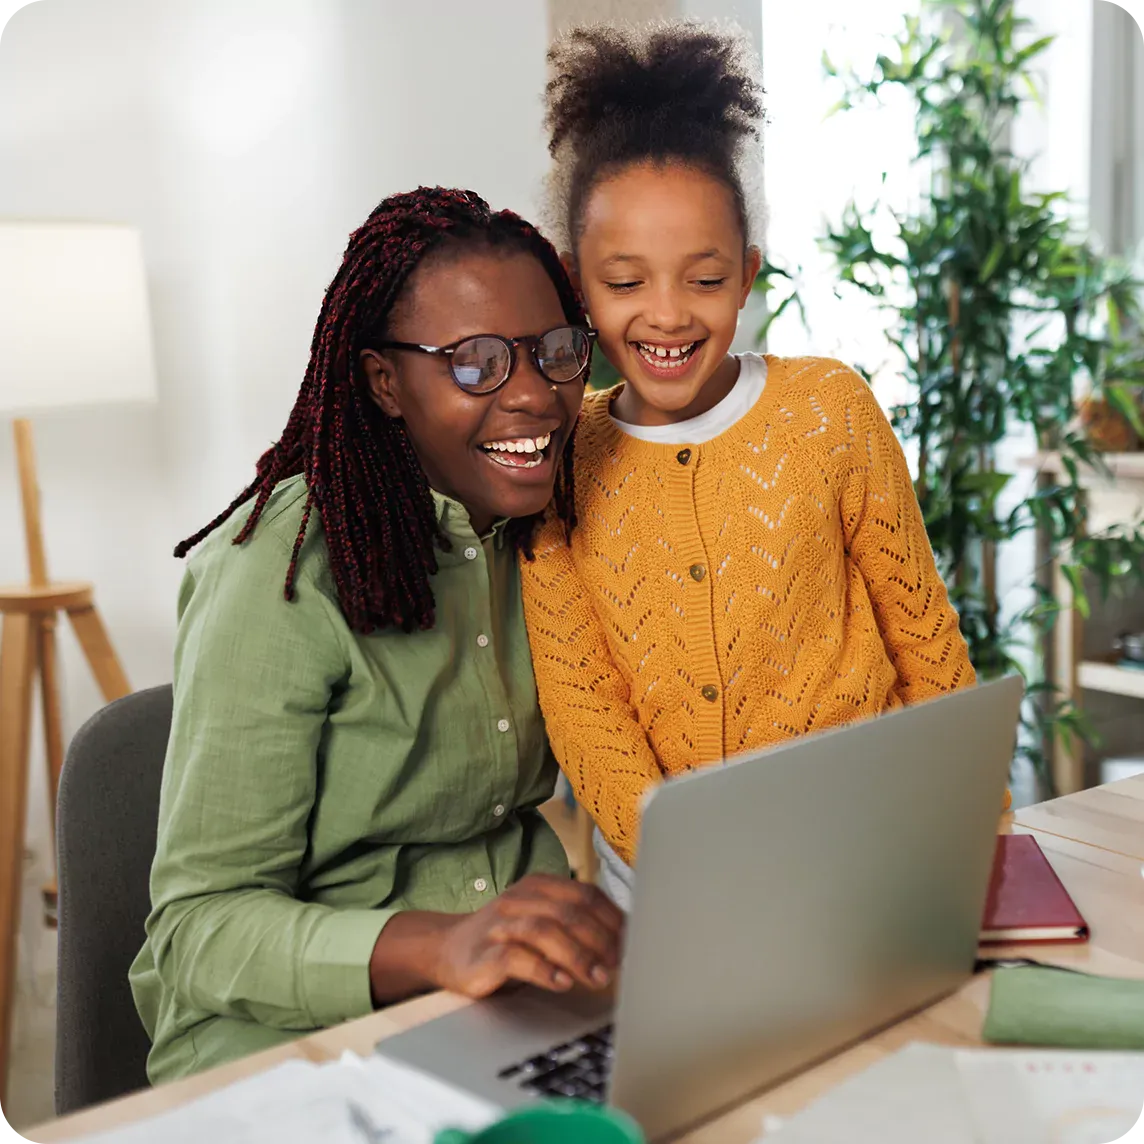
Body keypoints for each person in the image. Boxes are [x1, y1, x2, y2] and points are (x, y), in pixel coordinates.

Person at [129, 187, 623, 1084]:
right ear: (384, 383)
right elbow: (198, 930)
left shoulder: (549, 533)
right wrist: (443, 947)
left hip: (502, 1015)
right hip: (282, 1049)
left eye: (553, 353)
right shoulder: (279, 574)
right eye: (476, 363)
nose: (536, 397)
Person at [521, 24, 983, 910]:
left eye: (703, 279)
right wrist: (693, 862)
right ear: (578, 284)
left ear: (748, 275)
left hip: (877, 848)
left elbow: (924, 640)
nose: (666, 315)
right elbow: (586, 709)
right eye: (625, 283)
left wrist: (982, 830)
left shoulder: (828, 411)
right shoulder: (561, 455)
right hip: (671, 887)